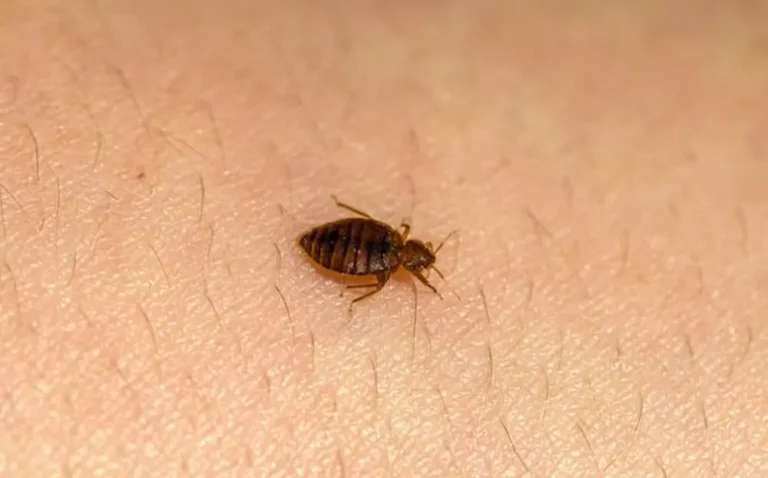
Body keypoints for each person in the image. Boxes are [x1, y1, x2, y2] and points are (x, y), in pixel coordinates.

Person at [1, 2, 765, 476]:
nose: (417, 262)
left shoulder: (389, 262)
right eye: (418, 258)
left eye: (416, 262)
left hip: (344, 237)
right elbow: (368, 247)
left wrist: (368, 283)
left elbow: (373, 252)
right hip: (340, 238)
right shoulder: (388, 261)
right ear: (412, 252)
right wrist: (365, 280)